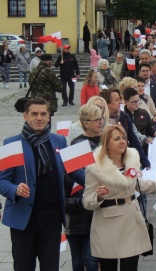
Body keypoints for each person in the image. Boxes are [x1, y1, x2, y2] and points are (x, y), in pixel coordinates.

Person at [0, 97, 86, 270]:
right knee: (23, 266)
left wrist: (100, 181)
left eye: (43, 114)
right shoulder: (12, 143)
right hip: (23, 218)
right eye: (34, 114)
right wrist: (15, 189)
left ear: (49, 117)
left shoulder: (59, 141)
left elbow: (75, 170)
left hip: (52, 218)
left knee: (50, 266)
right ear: (25, 116)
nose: (39, 118)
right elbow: (2, 180)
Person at [82, 125, 156, 271]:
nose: (122, 141)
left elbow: (136, 185)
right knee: (108, 267)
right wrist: (98, 196)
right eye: (117, 139)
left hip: (132, 220)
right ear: (106, 143)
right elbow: (87, 201)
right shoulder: (95, 167)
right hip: (107, 225)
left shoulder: (132, 159)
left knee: (130, 266)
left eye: (123, 138)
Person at [65, 104, 104, 271]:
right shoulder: (77, 145)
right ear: (86, 123)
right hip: (81, 208)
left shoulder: (107, 140)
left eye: (102, 118)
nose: (101, 123)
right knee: (79, 261)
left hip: (100, 209)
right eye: (97, 120)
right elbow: (81, 178)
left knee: (92, 260)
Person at [98, 88, 151, 169]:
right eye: (116, 100)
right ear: (107, 103)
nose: (120, 102)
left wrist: (145, 162)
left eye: (120, 99)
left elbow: (134, 140)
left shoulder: (124, 117)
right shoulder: (100, 121)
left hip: (124, 159)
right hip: (107, 162)